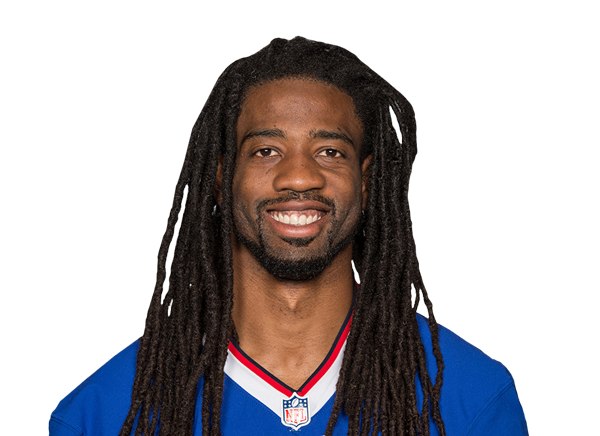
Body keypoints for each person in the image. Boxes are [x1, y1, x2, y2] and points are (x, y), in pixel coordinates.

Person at [49, 36, 528, 436]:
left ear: (366, 181)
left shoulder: (472, 398)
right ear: (221, 177)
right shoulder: (103, 413)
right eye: (266, 150)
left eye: (330, 152)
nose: (299, 176)